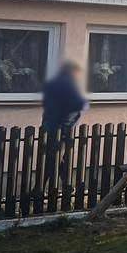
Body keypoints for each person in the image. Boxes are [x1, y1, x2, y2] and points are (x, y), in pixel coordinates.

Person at [37, 60, 88, 202]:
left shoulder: (53, 84)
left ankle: (52, 187)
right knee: (55, 158)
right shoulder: (69, 85)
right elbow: (80, 104)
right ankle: (56, 187)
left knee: (54, 158)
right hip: (62, 129)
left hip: (48, 126)